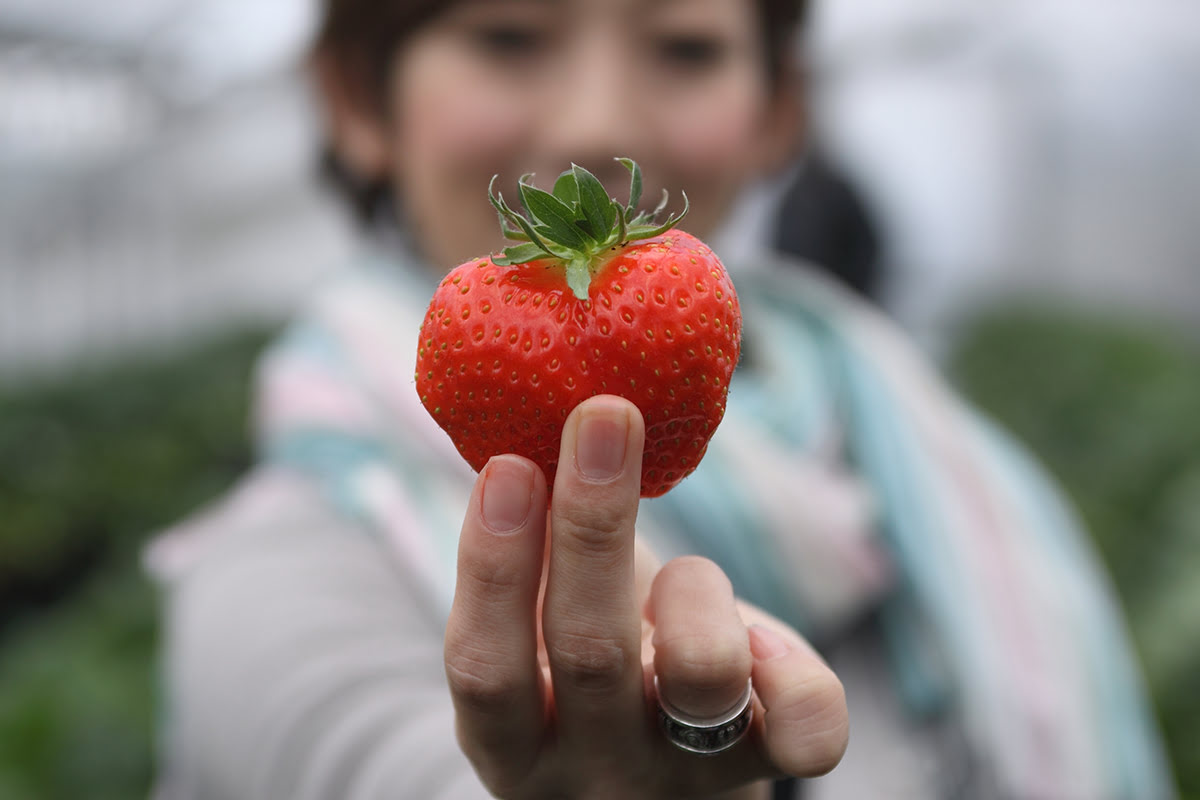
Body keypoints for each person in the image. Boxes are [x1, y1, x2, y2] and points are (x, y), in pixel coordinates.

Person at [146, 1, 1175, 798]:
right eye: (509, 36)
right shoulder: (280, 571)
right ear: (358, 102)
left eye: (685, 47)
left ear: (779, 110)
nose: (596, 124)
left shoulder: (944, 458)